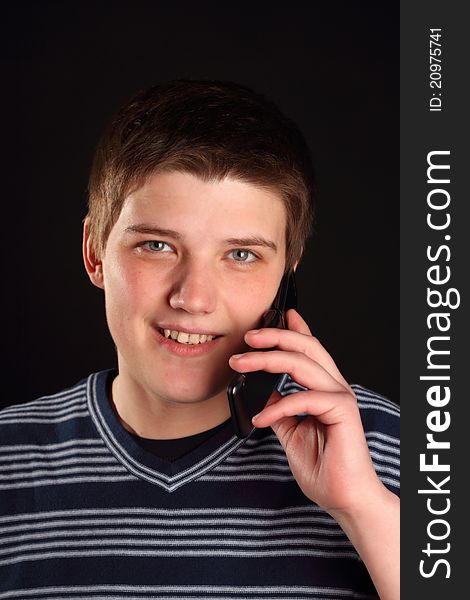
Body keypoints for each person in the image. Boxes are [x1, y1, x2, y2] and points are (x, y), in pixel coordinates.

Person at [0, 80, 399, 599]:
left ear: (286, 274)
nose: (193, 298)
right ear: (95, 252)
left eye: (241, 255)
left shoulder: (398, 449)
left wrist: (364, 507)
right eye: (157, 245)